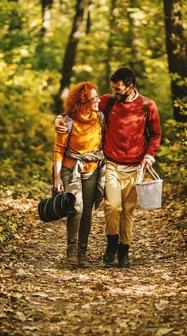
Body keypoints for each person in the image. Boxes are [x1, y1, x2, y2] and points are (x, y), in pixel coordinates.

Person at [55, 68, 162, 267]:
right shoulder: (108, 101)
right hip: (112, 164)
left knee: (127, 211)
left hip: (136, 167)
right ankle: (111, 243)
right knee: (113, 207)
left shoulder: (148, 105)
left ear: (130, 86)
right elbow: (79, 109)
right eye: (113, 87)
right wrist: (58, 119)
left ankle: (123, 250)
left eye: (118, 88)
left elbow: (155, 135)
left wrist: (149, 155)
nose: (114, 91)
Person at [53, 81, 105, 267]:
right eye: (94, 98)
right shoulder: (67, 121)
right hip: (71, 168)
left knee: (88, 213)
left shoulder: (99, 117)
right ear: (83, 101)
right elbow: (59, 150)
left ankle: (82, 252)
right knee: (77, 209)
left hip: (92, 170)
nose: (99, 99)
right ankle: (71, 250)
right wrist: (57, 177)